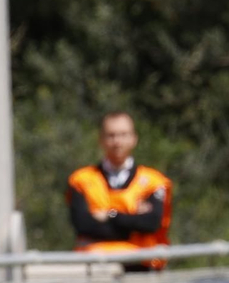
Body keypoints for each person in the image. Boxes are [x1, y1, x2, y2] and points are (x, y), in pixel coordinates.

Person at [67, 112, 173, 272]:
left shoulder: (153, 181)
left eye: (123, 135)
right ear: (101, 140)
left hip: (142, 267)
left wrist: (110, 215)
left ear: (134, 138)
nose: (117, 142)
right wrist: (132, 222)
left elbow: (151, 223)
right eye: (111, 135)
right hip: (95, 268)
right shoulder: (82, 180)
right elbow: (83, 225)